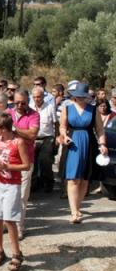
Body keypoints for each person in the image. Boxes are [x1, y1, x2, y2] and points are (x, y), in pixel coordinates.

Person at [58, 83, 108, 224]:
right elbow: (62, 126)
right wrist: (64, 135)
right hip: (73, 143)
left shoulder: (93, 110)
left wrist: (103, 144)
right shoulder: (67, 108)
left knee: (85, 179)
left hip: (89, 143)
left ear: (86, 96)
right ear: (74, 95)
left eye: (82, 96)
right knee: (73, 178)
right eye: (77, 95)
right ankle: (74, 212)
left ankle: (78, 207)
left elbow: (100, 129)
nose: (79, 98)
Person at [0, 113, 31, 271]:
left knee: (9, 219)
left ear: (3, 128)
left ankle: (16, 253)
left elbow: (26, 165)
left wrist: (8, 167)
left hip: (12, 185)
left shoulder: (18, 142)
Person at [6, 89, 39, 240]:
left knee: (22, 195)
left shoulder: (34, 115)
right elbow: (0, 131)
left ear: (28, 101)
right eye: (17, 102)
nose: (19, 105)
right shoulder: (7, 112)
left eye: (23, 102)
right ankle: (7, 223)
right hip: (8, 159)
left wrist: (13, 130)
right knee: (6, 194)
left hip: (25, 160)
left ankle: (19, 227)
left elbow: (32, 135)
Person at [31, 86, 58, 193]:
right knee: (32, 163)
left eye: (38, 97)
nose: (36, 99)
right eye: (34, 97)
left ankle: (48, 183)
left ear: (43, 96)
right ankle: (33, 185)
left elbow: (56, 123)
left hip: (47, 138)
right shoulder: (29, 107)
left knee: (45, 162)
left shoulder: (50, 107)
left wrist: (56, 138)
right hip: (32, 138)